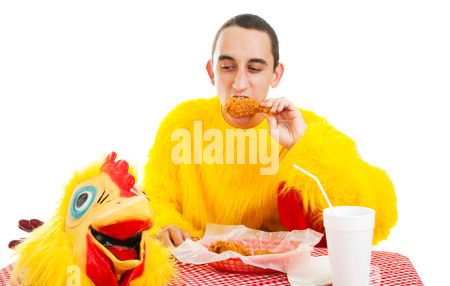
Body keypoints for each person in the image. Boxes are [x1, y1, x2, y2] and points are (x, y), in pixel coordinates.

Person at [143, 14, 397, 248]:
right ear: (211, 72)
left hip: (281, 280)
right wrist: (165, 226)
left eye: (254, 69)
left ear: (276, 75)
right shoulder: (182, 124)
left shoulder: (306, 128)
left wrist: (303, 147)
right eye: (227, 67)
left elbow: (369, 220)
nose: (239, 84)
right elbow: (155, 200)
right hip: (199, 274)